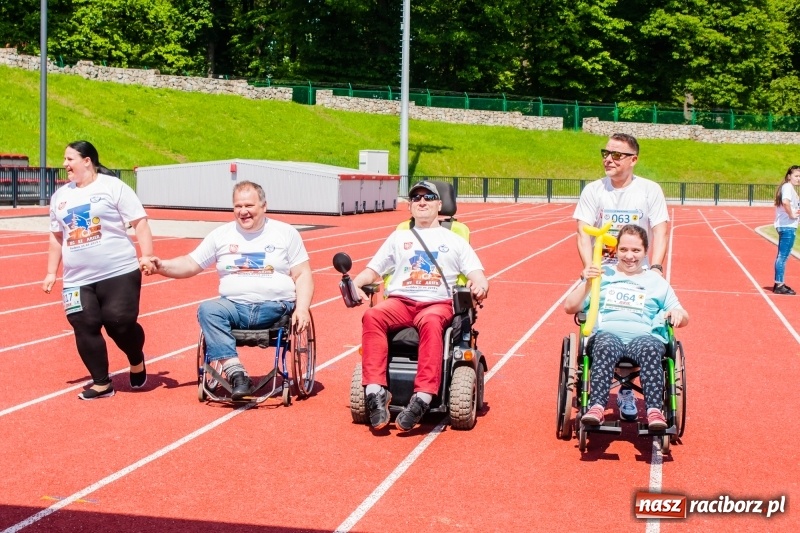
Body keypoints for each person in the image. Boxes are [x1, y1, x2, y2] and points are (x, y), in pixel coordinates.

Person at [145, 181, 313, 400]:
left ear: (264, 206)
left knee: (277, 307)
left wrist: (302, 308)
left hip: (275, 309)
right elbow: (189, 263)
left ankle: (235, 373)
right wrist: (161, 266)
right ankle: (237, 373)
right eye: (237, 206)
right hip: (234, 308)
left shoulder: (285, 233)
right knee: (208, 309)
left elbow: (303, 275)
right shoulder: (220, 235)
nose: (243, 211)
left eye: (249, 205)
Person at [351, 180, 489, 432]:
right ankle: (375, 391)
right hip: (401, 301)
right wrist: (356, 283)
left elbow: (477, 273)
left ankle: (423, 396)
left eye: (428, 197)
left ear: (439, 204)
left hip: (436, 303)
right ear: (410, 206)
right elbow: (374, 270)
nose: (422, 202)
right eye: (416, 198)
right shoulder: (398, 237)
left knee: (432, 322)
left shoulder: (455, 240)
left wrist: (480, 285)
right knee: (372, 315)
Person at [42, 140, 153, 400]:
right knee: (83, 324)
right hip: (76, 279)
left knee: (120, 324)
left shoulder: (112, 187)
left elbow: (140, 222)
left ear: (87, 161)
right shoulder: (60, 197)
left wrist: (147, 255)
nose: (64, 164)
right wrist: (51, 272)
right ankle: (102, 383)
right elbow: (56, 237)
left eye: (69, 159)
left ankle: (136, 359)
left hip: (118, 271)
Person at [573, 132, 670, 422]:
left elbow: (661, 229)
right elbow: (582, 232)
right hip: (604, 269)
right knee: (598, 320)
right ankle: (604, 393)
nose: (608, 158)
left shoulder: (649, 190)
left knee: (639, 319)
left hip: (637, 267)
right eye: (605, 152)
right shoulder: (594, 190)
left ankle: (627, 389)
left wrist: (655, 268)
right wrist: (589, 268)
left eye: (616, 154)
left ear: (633, 159)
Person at [563, 225, 688, 429]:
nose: (629, 256)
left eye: (636, 250)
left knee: (650, 347)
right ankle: (596, 407)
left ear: (645, 252)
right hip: (607, 336)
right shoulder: (602, 274)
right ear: (616, 250)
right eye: (624, 250)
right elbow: (569, 307)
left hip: (645, 339)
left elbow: (684, 316)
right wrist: (588, 283)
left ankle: (654, 411)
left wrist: (677, 314)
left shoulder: (656, 282)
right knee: (604, 343)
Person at [772, 166, 800, 295]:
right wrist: (791, 215)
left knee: (782, 256)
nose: (799, 179)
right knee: (783, 256)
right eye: (796, 176)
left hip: (787, 225)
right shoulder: (788, 187)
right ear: (789, 176)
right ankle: (779, 285)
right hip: (787, 226)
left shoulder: (788, 188)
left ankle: (779, 282)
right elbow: (785, 202)